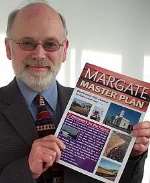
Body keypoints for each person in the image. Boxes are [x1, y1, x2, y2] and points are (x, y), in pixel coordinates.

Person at [0, 1, 150, 183]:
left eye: (51, 44)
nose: (39, 54)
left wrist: (132, 155)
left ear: (64, 51)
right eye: (27, 43)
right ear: (8, 48)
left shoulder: (89, 103)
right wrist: (26, 170)